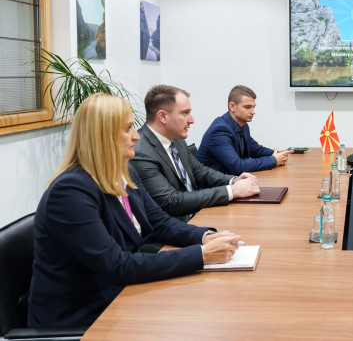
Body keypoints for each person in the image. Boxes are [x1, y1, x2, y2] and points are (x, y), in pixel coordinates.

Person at [28, 94, 242, 328]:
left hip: (119, 295)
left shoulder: (124, 171)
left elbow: (159, 223)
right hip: (83, 316)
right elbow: (117, 266)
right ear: (103, 136)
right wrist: (202, 255)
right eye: (128, 128)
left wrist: (205, 236)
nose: (137, 136)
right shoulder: (70, 192)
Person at [133, 85, 260, 221]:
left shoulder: (176, 140)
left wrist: (234, 180)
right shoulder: (141, 152)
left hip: (197, 215)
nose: (191, 120)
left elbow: (200, 172)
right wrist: (232, 191)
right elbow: (171, 202)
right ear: (163, 116)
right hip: (173, 226)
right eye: (185, 113)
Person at [197, 85, 289, 175]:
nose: (253, 112)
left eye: (253, 107)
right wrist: (273, 160)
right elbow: (237, 166)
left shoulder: (243, 125)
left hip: (234, 180)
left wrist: (277, 154)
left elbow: (255, 150)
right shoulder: (219, 130)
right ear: (232, 106)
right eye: (247, 107)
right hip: (214, 183)